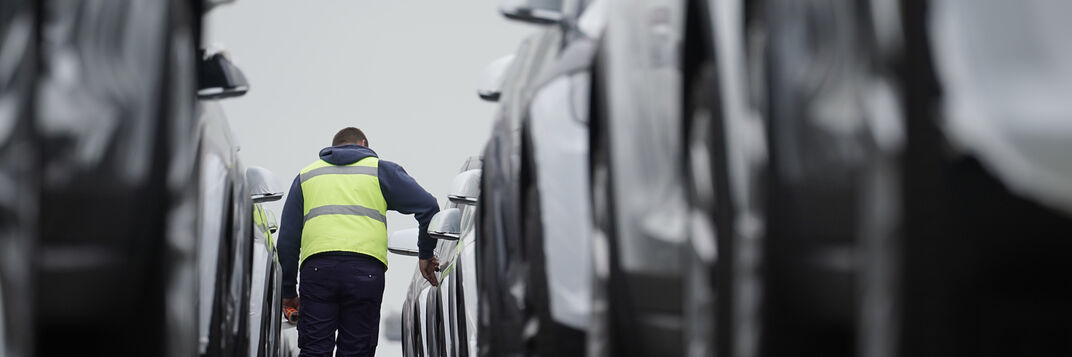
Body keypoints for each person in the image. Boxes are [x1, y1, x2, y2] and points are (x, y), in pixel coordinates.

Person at [277, 127, 442, 356]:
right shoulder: (380, 171)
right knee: (357, 350)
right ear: (363, 144)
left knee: (314, 349)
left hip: (317, 272)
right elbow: (429, 208)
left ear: (333, 147)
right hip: (366, 273)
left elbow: (287, 239)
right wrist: (425, 254)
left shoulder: (307, 176)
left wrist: (288, 291)